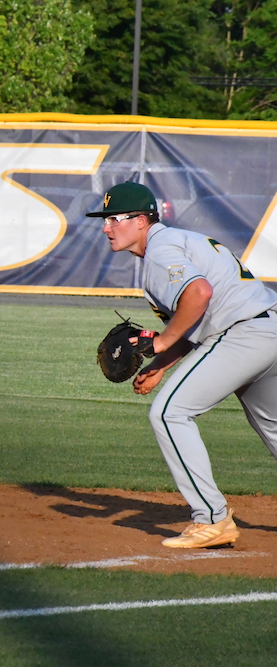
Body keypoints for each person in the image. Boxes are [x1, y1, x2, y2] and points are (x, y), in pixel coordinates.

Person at [87, 180, 277, 548]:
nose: (105, 227)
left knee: (168, 413)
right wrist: (159, 364)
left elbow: (199, 294)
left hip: (241, 333)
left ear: (141, 220)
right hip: (267, 329)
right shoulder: (177, 241)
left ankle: (213, 518)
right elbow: (191, 323)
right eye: (105, 220)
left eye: (114, 219)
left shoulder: (160, 250)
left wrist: (159, 342)